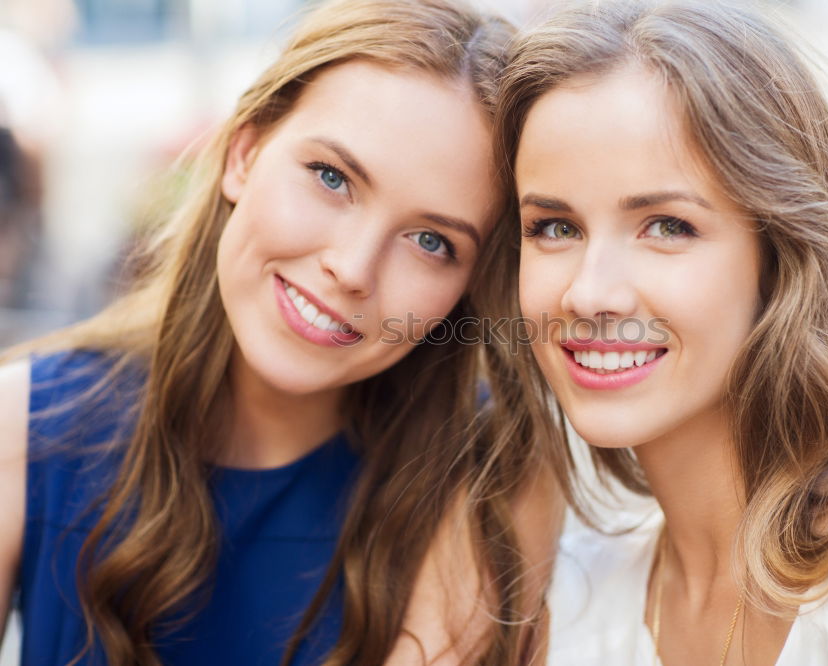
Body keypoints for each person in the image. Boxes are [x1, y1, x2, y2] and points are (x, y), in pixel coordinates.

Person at [0, 1, 565, 664]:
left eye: (430, 241)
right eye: (332, 178)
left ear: (469, 286)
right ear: (245, 152)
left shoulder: (492, 473)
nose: (352, 269)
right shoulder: (27, 425)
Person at [495, 1, 828, 664]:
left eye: (668, 226)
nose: (589, 293)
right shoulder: (582, 591)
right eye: (554, 228)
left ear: (781, 257)